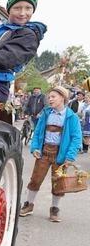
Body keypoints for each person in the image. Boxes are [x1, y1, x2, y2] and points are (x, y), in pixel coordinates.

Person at [19, 86, 82, 222]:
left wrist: (70, 156)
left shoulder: (71, 117)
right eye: (49, 97)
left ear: (62, 98)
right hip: (44, 153)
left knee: (58, 183)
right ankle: (29, 205)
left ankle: (54, 208)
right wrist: (35, 148)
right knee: (35, 179)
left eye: (53, 96)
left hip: (61, 155)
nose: (50, 99)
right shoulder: (46, 113)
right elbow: (38, 132)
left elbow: (76, 138)